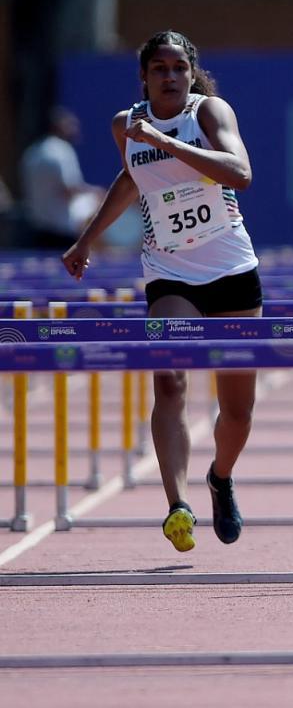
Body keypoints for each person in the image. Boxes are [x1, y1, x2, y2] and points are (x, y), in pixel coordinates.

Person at [62, 30, 261, 553]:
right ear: (144, 77)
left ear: (191, 73)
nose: (169, 76)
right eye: (159, 69)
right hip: (169, 272)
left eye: (178, 67)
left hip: (231, 267)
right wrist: (87, 239)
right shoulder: (125, 125)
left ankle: (220, 476)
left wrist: (167, 142)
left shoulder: (210, 113)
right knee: (169, 381)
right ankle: (178, 504)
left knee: (237, 410)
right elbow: (131, 180)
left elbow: (240, 174)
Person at [19, 107, 104, 249]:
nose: (74, 128)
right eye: (69, 124)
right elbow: (68, 189)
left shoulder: (32, 152)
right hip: (61, 232)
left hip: (35, 229)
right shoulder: (62, 151)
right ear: (58, 126)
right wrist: (96, 193)